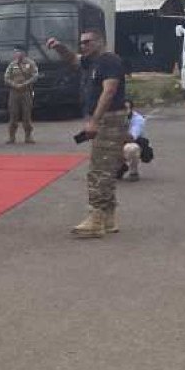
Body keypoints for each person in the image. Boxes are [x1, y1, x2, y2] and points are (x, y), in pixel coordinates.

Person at [49, 29, 128, 238]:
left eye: (88, 42)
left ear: (101, 42)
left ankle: (96, 218)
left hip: (109, 120)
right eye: (81, 43)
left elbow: (109, 91)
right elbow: (73, 59)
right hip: (106, 120)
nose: (83, 46)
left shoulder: (109, 61)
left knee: (99, 170)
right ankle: (109, 217)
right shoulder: (91, 62)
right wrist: (59, 47)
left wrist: (94, 120)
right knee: (106, 169)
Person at [4, 46, 38, 143]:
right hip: (14, 92)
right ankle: (11, 136)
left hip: (26, 92)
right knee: (13, 115)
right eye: (15, 52)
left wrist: (25, 84)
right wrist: (14, 84)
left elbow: (35, 76)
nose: (16, 54)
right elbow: (6, 78)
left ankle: (28, 136)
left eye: (18, 52)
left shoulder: (30, 63)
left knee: (26, 115)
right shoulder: (12, 65)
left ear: (23, 53)